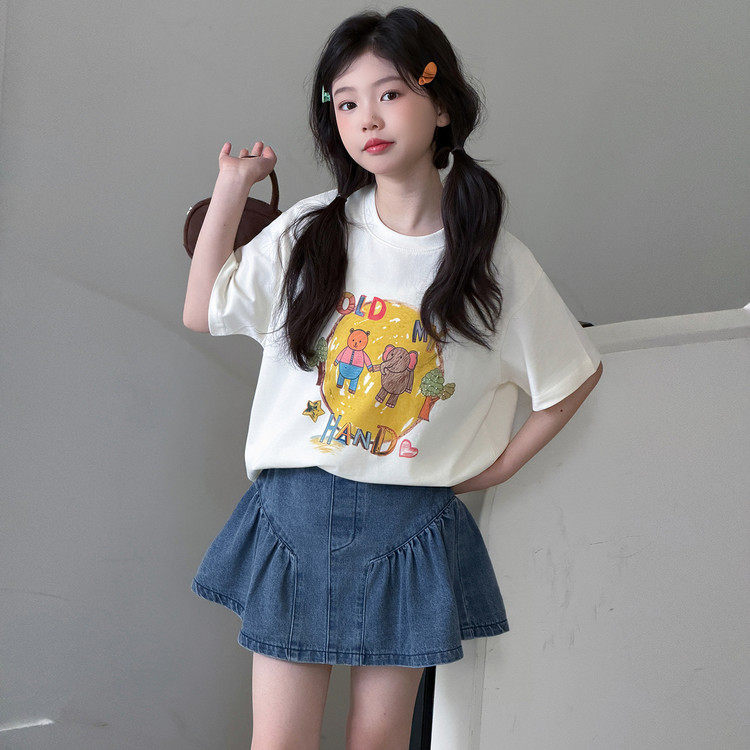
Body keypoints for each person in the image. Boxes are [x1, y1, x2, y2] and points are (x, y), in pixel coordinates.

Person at [183, 7, 603, 749]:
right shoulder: (314, 229)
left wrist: (497, 467)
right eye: (346, 103)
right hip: (294, 513)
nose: (367, 119)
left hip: (405, 525)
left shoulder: (491, 260)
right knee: (278, 742)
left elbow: (571, 376)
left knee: (377, 742)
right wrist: (232, 184)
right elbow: (203, 308)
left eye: (389, 94)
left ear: (440, 107)